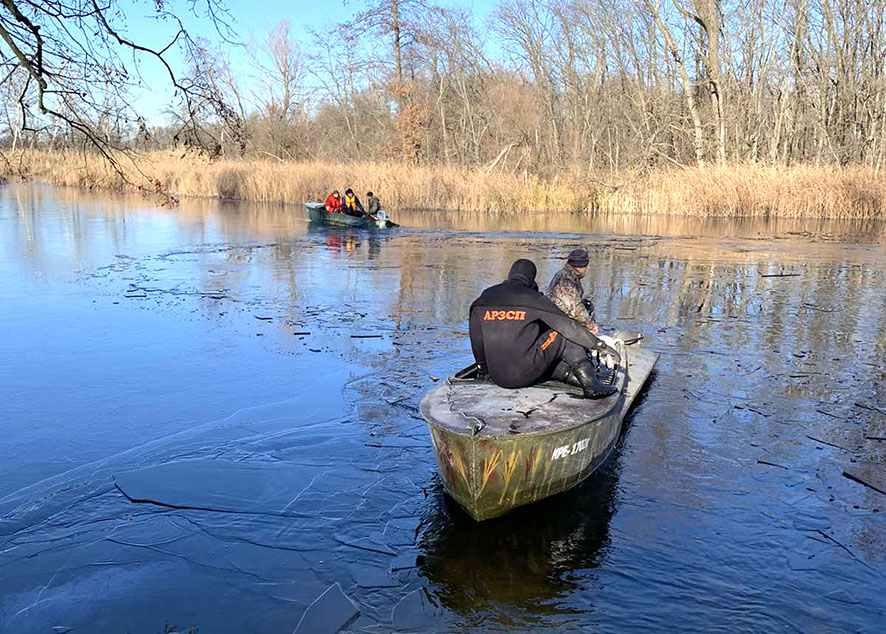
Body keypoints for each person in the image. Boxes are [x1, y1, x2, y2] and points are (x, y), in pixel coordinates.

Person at [469, 259, 620, 398]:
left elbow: (476, 337)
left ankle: (567, 375)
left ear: (510, 275)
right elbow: (568, 326)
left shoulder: (486, 296)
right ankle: (591, 385)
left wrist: (483, 369)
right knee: (561, 333)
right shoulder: (533, 299)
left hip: (498, 376)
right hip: (523, 373)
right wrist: (600, 346)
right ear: (531, 278)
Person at [547, 248, 598, 335]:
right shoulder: (566, 280)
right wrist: (590, 325)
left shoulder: (569, 275)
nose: (587, 269)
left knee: (588, 305)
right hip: (559, 324)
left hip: (562, 319)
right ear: (581, 266)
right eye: (586, 266)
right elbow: (574, 309)